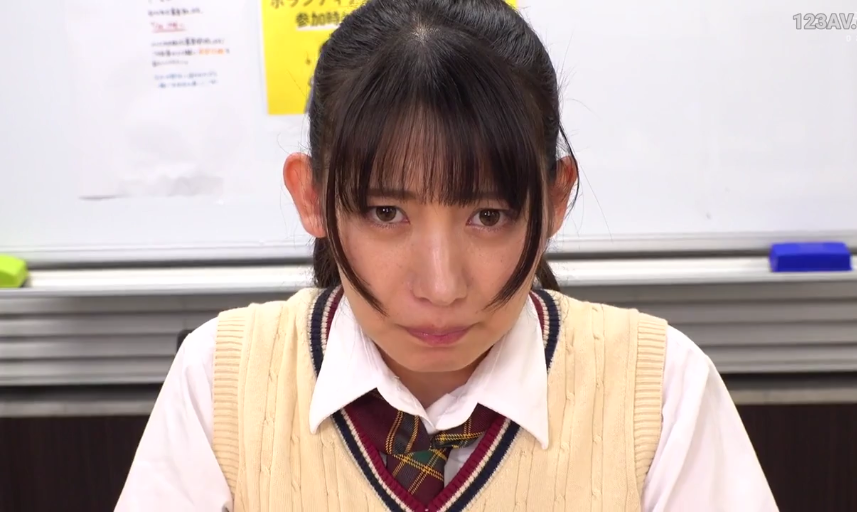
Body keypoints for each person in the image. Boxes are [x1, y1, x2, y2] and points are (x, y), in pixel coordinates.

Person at [115, 0, 777, 510]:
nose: (440, 285)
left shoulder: (660, 390)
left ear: (554, 200)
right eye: (387, 213)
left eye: (488, 216)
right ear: (311, 196)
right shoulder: (221, 382)